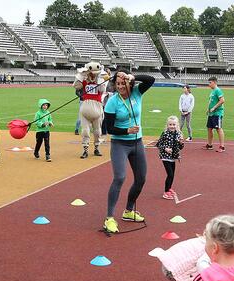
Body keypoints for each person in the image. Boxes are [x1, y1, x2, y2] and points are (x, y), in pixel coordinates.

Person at [102, 71, 155, 234]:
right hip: (120, 144)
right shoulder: (112, 102)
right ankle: (109, 218)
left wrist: (133, 76)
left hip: (137, 143)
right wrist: (126, 131)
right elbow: (108, 128)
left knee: (141, 179)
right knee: (120, 177)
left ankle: (128, 211)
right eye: (117, 84)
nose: (120, 87)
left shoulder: (137, 93)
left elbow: (150, 79)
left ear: (130, 84)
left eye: (123, 83)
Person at [73, 61, 109, 159]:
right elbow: (76, 86)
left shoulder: (100, 82)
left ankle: (96, 147)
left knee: (97, 131)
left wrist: (100, 77)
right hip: (86, 107)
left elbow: (102, 89)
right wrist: (81, 75)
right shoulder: (84, 81)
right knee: (85, 131)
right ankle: (85, 149)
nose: (91, 75)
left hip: (97, 107)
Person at [156, 116, 185, 200]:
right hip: (165, 157)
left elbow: (181, 147)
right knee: (170, 174)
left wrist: (180, 143)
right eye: (170, 124)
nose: (172, 126)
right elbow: (158, 144)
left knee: (172, 175)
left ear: (177, 125)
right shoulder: (165, 133)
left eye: (174, 124)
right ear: (167, 125)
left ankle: (169, 188)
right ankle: (166, 192)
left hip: (173, 157)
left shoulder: (179, 134)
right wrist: (166, 149)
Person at [205, 77, 225, 153]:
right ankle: (210, 145)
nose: (209, 84)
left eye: (210, 82)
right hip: (211, 113)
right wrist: (208, 109)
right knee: (209, 128)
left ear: (214, 82)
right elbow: (211, 101)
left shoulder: (218, 90)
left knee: (218, 129)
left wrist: (214, 108)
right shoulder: (212, 91)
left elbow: (222, 100)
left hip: (217, 113)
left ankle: (222, 146)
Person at [33, 98, 53, 162]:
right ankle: (36, 152)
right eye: (43, 105)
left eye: (46, 105)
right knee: (39, 143)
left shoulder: (48, 112)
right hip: (39, 131)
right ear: (40, 105)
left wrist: (50, 123)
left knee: (47, 143)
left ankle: (48, 155)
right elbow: (36, 121)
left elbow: (50, 119)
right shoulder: (38, 113)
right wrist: (42, 124)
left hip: (46, 131)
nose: (45, 106)